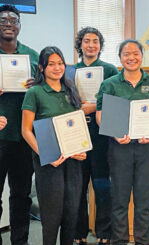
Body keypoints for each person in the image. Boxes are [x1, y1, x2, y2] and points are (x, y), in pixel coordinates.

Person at [96, 39, 149, 245]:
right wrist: (113, 132)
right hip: (119, 148)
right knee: (119, 200)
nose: (131, 58)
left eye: (135, 53)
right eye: (126, 54)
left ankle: (142, 241)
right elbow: (100, 114)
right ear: (120, 58)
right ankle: (119, 241)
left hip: (146, 147)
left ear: (142, 56)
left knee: (143, 202)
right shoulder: (109, 84)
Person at [21, 46, 87, 245]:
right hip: (49, 164)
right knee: (51, 217)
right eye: (51, 64)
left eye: (60, 63)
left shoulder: (71, 89)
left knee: (71, 213)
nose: (57, 68)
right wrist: (46, 154)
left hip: (73, 162)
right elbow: (26, 130)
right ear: (42, 67)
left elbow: (77, 124)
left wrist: (81, 149)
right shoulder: (35, 92)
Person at [74, 27, 118, 245]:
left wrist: (94, 107)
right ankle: (78, 232)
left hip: (101, 135)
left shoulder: (110, 70)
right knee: (78, 187)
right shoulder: (70, 70)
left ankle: (104, 233)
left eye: (95, 41)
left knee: (102, 185)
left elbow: (116, 100)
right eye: (87, 41)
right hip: (76, 134)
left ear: (100, 46)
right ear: (80, 44)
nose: (91, 45)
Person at [0, 4, 38, 245]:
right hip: (0, 136)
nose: (8, 23)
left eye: (13, 19)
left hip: (24, 136)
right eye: (3, 19)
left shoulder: (32, 56)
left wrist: (37, 87)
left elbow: (46, 92)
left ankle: (20, 241)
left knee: (21, 195)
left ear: (20, 26)